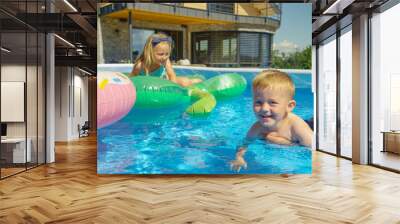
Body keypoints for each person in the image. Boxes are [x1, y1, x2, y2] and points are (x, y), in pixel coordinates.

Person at [230, 69, 313, 172]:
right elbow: (244, 143)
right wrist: (239, 158)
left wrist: (284, 143)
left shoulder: (297, 127)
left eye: (272, 102)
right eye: (258, 102)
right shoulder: (257, 127)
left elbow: (313, 151)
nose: (264, 109)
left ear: (289, 106)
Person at [130, 33, 202, 87]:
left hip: (165, 82)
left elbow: (172, 76)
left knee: (185, 82)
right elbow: (131, 80)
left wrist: (173, 89)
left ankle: (198, 81)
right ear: (150, 53)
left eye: (167, 54)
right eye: (160, 54)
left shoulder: (166, 61)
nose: (164, 57)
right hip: (151, 85)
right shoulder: (140, 66)